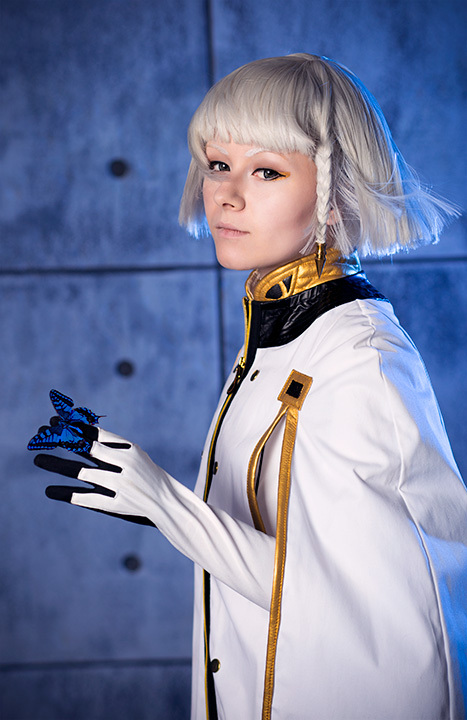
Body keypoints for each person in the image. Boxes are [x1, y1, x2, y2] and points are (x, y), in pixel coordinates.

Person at [32, 54, 467, 720]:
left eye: (266, 171)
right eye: (217, 164)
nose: (226, 195)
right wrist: (145, 496)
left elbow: (358, 606)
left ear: (335, 195)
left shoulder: (359, 363)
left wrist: (166, 504)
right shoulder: (278, 335)